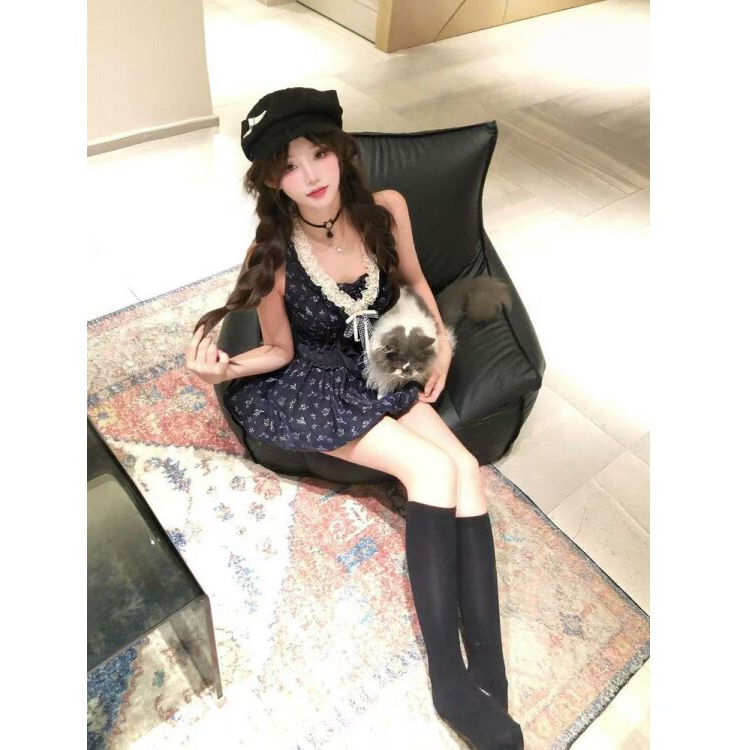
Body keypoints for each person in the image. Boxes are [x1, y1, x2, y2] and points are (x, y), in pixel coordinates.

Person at [185, 87, 523, 750]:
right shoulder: (274, 249)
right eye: (289, 166)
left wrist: (440, 339)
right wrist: (223, 370)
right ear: (272, 181)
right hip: (318, 381)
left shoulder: (387, 209)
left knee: (464, 468)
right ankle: (451, 683)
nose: (311, 175)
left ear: (340, 152)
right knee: (430, 470)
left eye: (319, 154)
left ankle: (489, 666)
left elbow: (415, 283)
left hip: (382, 356)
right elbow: (278, 348)